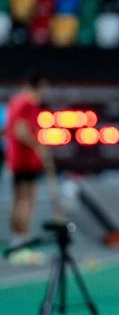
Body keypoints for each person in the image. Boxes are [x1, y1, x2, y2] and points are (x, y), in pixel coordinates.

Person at [5, 72, 49, 265]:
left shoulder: (15, 101)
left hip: (15, 159)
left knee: (18, 201)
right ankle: (22, 245)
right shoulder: (27, 103)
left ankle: (17, 243)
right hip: (26, 160)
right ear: (38, 86)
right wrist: (38, 146)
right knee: (26, 201)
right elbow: (20, 130)